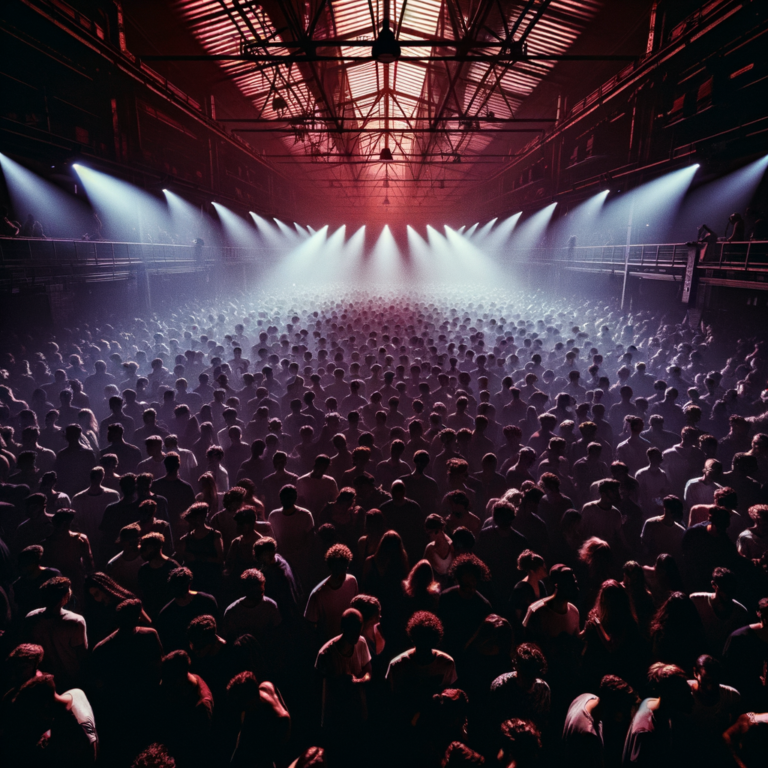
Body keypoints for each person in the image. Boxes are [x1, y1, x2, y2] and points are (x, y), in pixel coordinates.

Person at [622, 662, 694, 768]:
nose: (691, 699)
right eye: (685, 694)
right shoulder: (646, 732)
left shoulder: (650, 702)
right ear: (670, 696)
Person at [22, 576, 88, 690]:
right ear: (65, 596)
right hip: (69, 680)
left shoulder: (31, 617)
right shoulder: (75, 622)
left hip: (41, 680)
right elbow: (82, 655)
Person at [562, 674, 639, 768]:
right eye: (623, 711)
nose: (624, 716)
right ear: (613, 706)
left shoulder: (584, 698)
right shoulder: (589, 734)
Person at [305, 543, 358, 642]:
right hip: (330, 645)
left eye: (344, 569)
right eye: (339, 570)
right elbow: (310, 626)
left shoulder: (352, 581)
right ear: (331, 568)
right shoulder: (317, 594)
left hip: (349, 640)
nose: (342, 574)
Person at [222, 568, 281, 641]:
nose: (260, 596)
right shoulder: (232, 612)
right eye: (255, 593)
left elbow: (278, 635)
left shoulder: (271, 606)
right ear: (246, 590)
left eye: (261, 591)